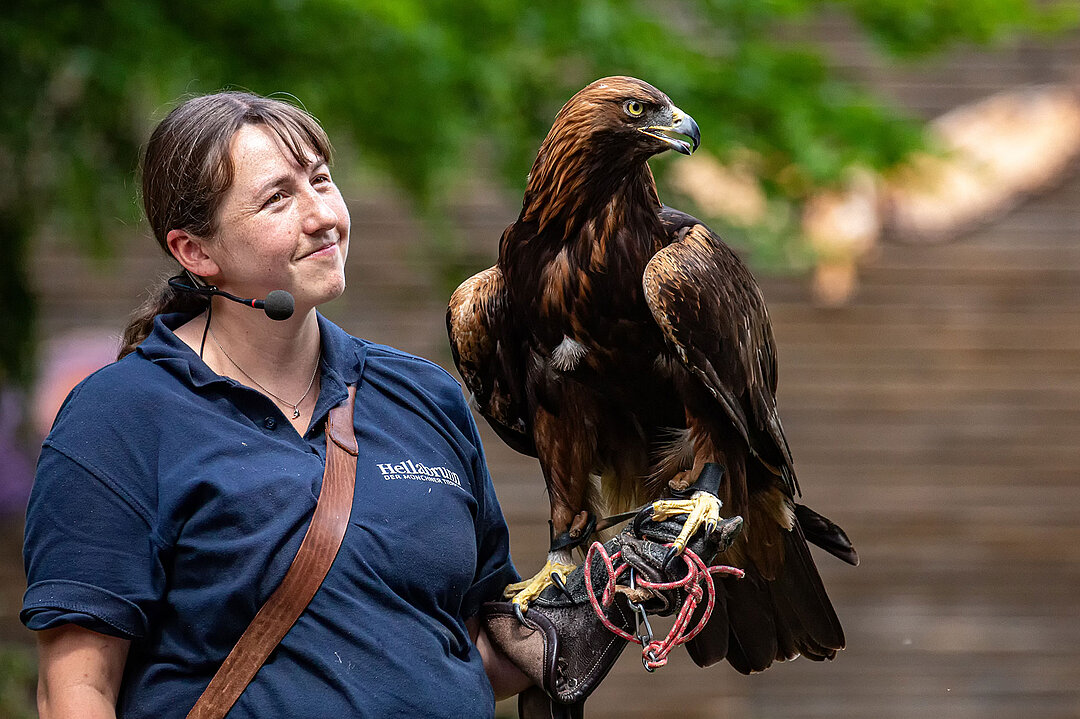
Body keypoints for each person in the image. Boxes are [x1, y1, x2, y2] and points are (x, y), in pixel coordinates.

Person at [21, 91, 531, 718]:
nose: (322, 215)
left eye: (321, 180)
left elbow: (467, 651)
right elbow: (77, 689)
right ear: (195, 252)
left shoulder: (424, 396)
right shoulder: (119, 418)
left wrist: (606, 602)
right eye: (278, 198)